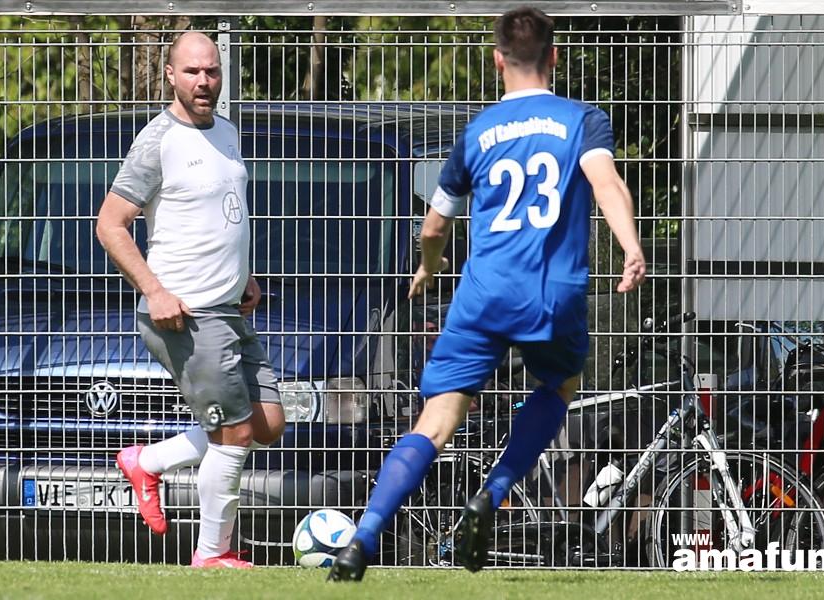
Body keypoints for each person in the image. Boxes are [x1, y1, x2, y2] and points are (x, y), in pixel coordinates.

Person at [328, 6, 646, 581]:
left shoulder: (477, 132)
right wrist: (631, 246)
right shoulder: (582, 120)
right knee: (560, 385)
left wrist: (428, 269)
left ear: (498, 60)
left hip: (482, 295)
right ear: (554, 56)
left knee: (435, 420)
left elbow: (433, 227)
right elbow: (606, 182)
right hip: (551, 294)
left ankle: (363, 538)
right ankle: (493, 493)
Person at [96, 31, 285, 569]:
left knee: (268, 424)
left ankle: (148, 461)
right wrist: (155, 291)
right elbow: (109, 224)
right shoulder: (158, 141)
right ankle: (212, 554)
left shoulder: (226, 131)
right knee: (234, 433)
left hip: (229, 308)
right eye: (192, 72)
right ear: (170, 76)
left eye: (212, 71)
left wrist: (245, 276)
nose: (204, 81)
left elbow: (219, 213)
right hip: (186, 313)